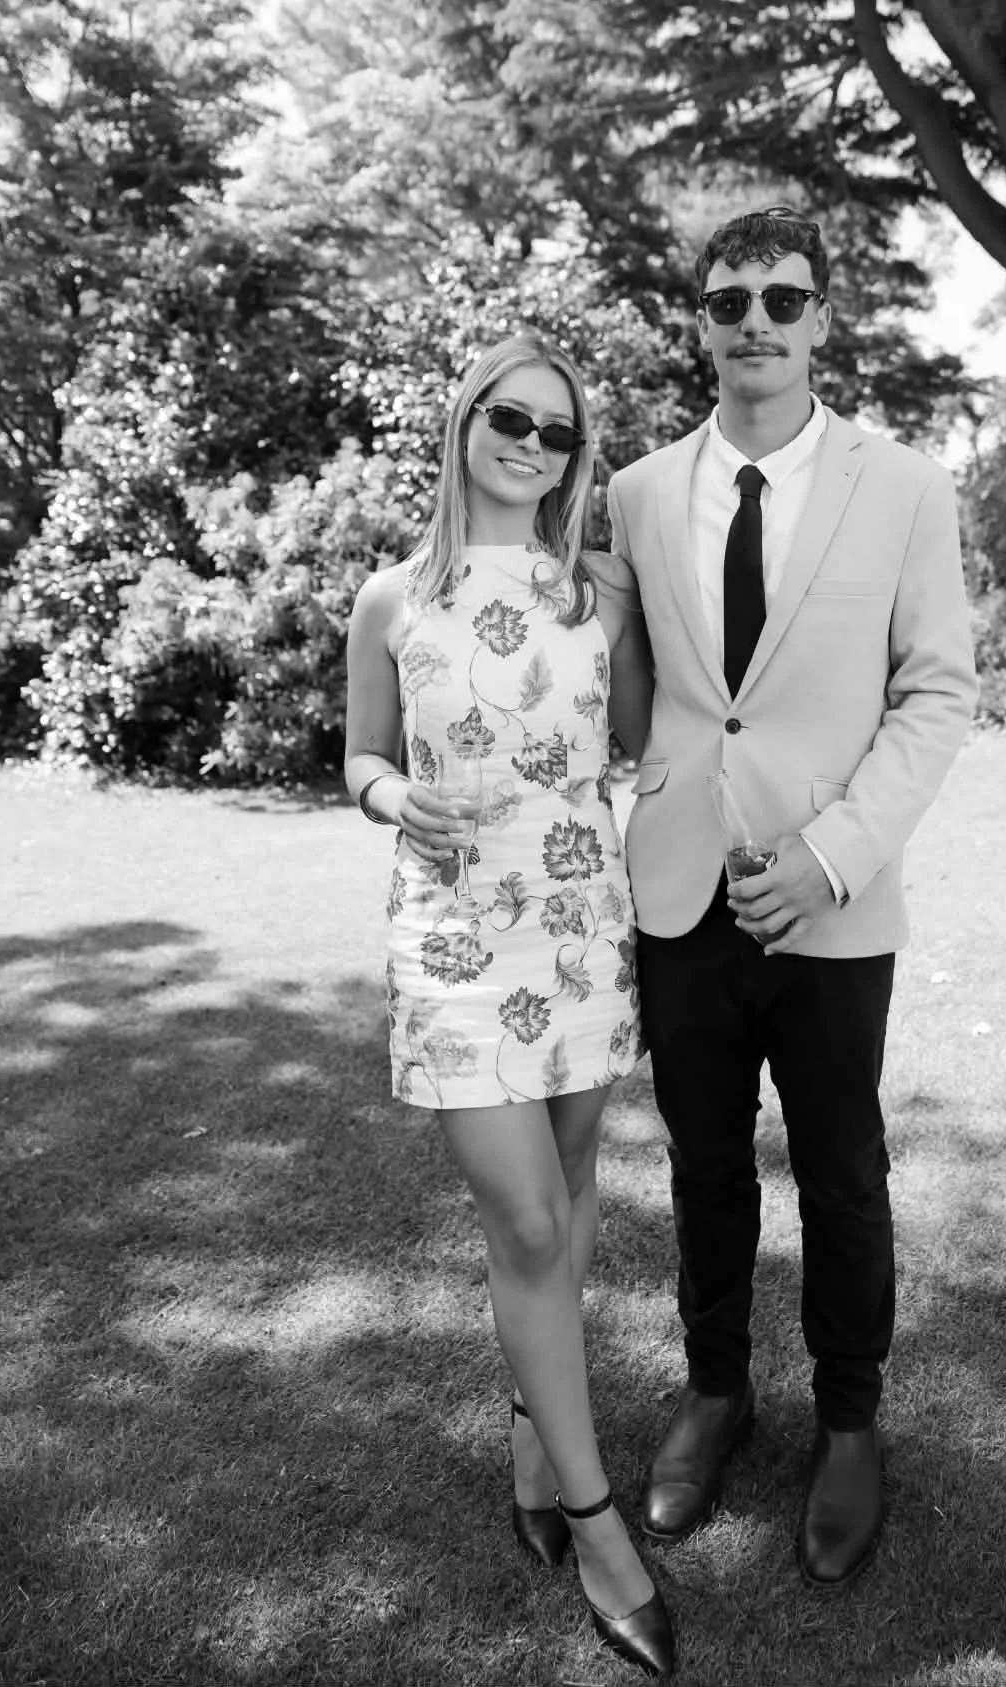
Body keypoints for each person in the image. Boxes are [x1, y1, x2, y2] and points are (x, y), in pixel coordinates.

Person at [607, 205, 978, 1590]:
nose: (754, 321)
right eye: (728, 300)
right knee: (702, 1166)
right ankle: (716, 1391)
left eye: (782, 297)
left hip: (833, 897)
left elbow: (936, 692)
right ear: (698, 324)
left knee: (842, 1169)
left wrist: (829, 854)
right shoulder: (639, 492)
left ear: (823, 316)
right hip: (680, 891)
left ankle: (850, 1420)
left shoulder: (908, 486)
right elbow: (636, 691)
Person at [344, 335, 673, 1677]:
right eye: (510, 418)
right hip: (455, 940)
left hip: (580, 925)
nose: (531, 444)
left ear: (576, 455)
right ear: (465, 419)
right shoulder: (392, 596)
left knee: (574, 1182)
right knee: (529, 1219)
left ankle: (536, 1435)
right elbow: (361, 754)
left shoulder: (597, 590)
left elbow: (642, 738)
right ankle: (597, 1524)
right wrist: (391, 795)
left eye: (558, 431)